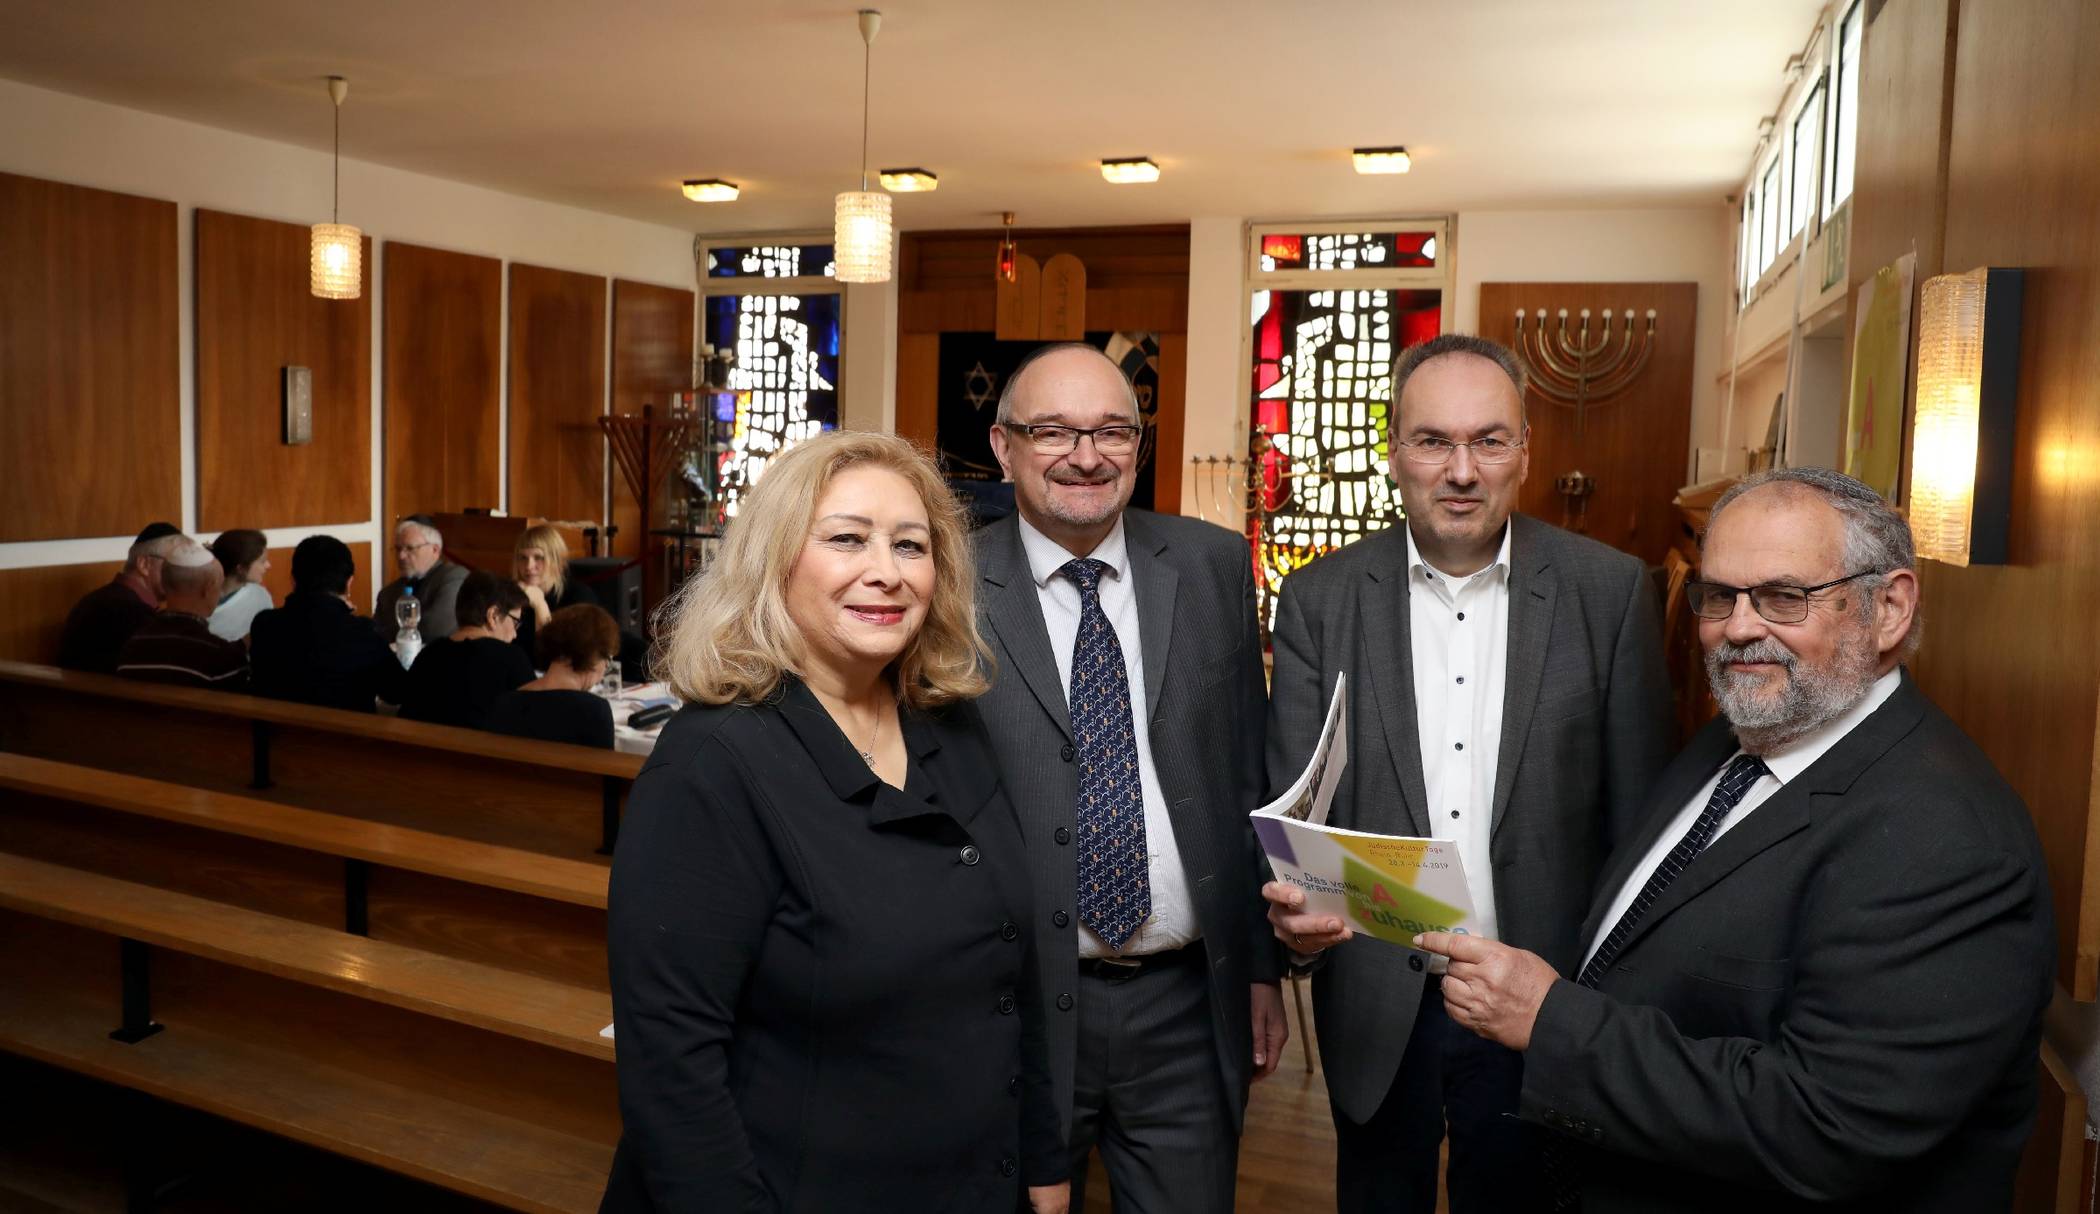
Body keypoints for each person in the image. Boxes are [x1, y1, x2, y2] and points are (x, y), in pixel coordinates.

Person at [1409, 467, 2054, 1212]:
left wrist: (1552, 1022)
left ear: (1890, 608)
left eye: (1785, 596)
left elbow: (1825, 1129)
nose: (1739, 627)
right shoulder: (1741, 738)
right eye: (1720, 595)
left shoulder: (1948, 841)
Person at [602, 430, 1067, 1213]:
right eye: (847, 539)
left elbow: (1009, 966)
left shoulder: (947, 723)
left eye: (910, 546)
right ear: (774, 561)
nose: (885, 572)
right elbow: (672, 1070)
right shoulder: (713, 762)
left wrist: (1043, 1156)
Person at [1261, 333, 1673, 1213]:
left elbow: (1641, 827)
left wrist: (1604, 1013)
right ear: (1393, 452)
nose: (1461, 470)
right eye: (1432, 441)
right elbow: (1297, 818)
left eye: (1488, 441)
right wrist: (1294, 919)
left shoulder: (1611, 594)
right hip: (1377, 997)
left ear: (1526, 452)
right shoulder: (1318, 600)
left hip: (1542, 999)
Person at [972, 343, 1281, 1214]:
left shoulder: (1216, 565)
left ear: (1140, 444)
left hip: (1186, 1004)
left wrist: (1257, 967)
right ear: (1003, 447)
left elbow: (1245, 776)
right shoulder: (948, 581)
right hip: (1011, 1007)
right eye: (1054, 432)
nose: (1087, 455)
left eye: (1112, 430)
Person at [250, 535, 406, 713]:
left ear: (293, 579)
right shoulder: (361, 632)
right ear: (349, 583)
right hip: (349, 739)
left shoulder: (264, 625)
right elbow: (397, 692)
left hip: (276, 738)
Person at [398, 572, 534, 730]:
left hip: (417, 752)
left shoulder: (429, 654)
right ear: (493, 615)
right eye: (515, 622)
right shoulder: (511, 658)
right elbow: (535, 720)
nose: (515, 633)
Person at [114, 537, 249, 691]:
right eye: (220, 583)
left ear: (164, 584)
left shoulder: (132, 645)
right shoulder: (221, 658)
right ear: (208, 588)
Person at [486, 603, 618, 748]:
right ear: (594, 658)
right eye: (608, 659)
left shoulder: (505, 703)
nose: (606, 667)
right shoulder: (594, 711)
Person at [56, 521, 183, 672]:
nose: (182, 573)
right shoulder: (130, 613)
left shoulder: (98, 599)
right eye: (176, 563)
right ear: (144, 565)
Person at [373, 515, 467, 644]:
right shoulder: (387, 594)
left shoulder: (454, 578)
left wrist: (397, 632)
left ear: (435, 550)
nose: (401, 556)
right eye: (398, 549)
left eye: (410, 548)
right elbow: (375, 636)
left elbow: (436, 629)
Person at [511, 522, 597, 663]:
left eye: (538, 557)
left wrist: (539, 605)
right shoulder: (512, 596)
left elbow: (554, 659)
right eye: (523, 558)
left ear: (557, 561)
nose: (529, 566)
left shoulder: (579, 597)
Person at [206, 528, 273, 642]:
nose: (268, 565)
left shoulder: (261, 596)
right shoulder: (199, 600)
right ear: (241, 568)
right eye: (262, 561)